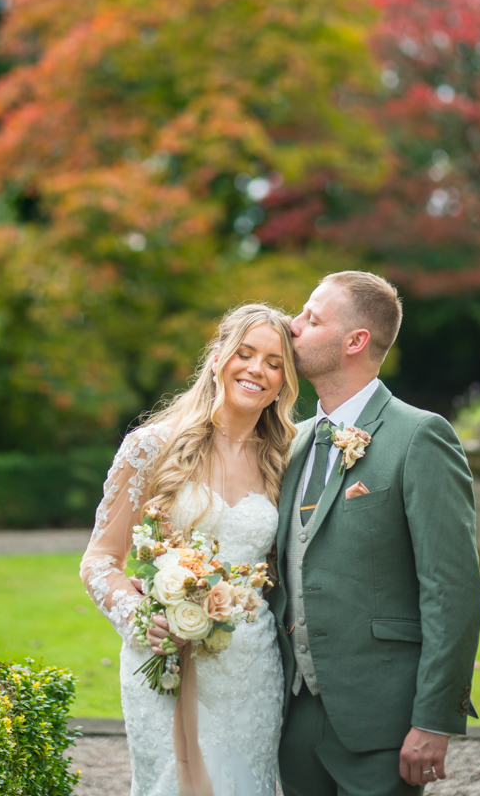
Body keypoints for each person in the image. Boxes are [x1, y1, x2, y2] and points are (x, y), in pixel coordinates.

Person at [271, 270, 480, 796]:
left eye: (311, 318)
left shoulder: (420, 437)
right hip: (291, 715)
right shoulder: (289, 443)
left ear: (356, 341)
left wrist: (434, 720)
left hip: (383, 722)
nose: (291, 326)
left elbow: (451, 589)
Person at [80, 303, 300, 796]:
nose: (256, 370)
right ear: (218, 355)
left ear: (285, 380)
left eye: (274, 362)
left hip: (252, 669)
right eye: (245, 353)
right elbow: (98, 562)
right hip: (167, 662)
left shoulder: (283, 460)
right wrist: (142, 616)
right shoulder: (150, 446)